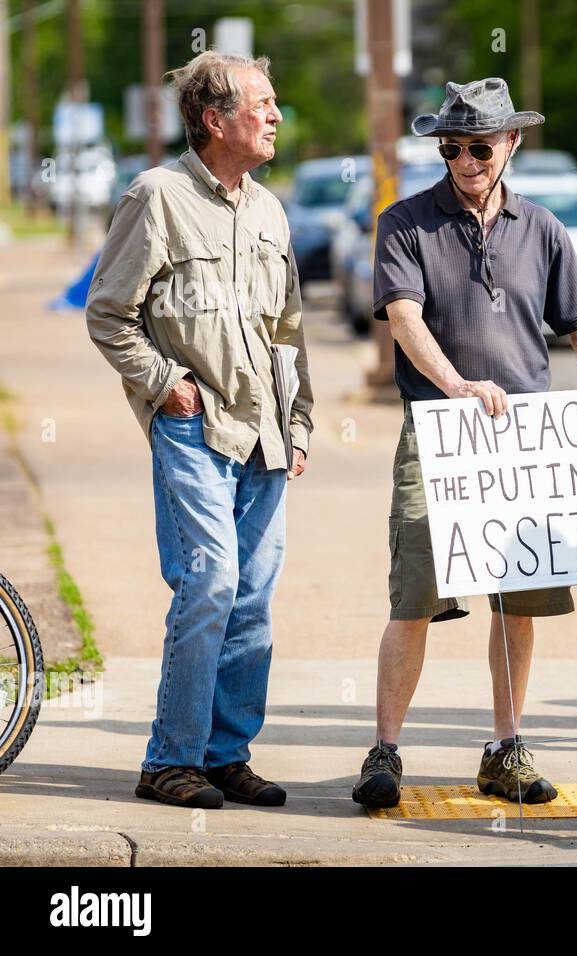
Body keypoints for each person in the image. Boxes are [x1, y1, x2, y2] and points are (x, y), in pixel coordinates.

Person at [351, 78, 577, 807]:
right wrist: (457, 385)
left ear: (512, 143)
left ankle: (505, 747)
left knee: (519, 600)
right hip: (439, 432)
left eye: (481, 146)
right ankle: (385, 751)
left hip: (531, 439)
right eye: (454, 148)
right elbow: (403, 317)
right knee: (415, 595)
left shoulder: (545, 229)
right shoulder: (405, 222)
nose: (467, 161)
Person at [85, 51, 314, 809]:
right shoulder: (156, 196)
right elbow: (108, 313)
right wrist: (164, 386)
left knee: (251, 598)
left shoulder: (271, 210)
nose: (277, 115)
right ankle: (169, 760)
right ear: (214, 120)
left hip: (268, 436)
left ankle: (224, 755)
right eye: (263, 103)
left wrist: (301, 421)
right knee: (210, 582)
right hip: (194, 428)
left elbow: (288, 331)